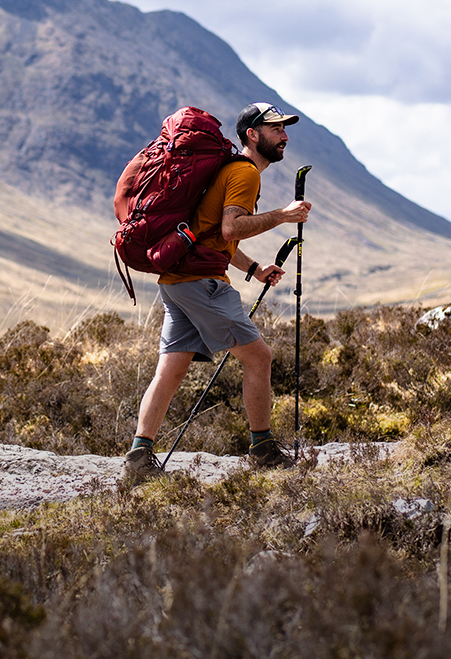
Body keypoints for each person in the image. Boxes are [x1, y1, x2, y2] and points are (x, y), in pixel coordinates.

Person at [122, 102, 311, 484]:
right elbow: (230, 228)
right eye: (276, 129)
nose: (285, 136)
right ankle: (262, 450)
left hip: (177, 281)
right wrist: (282, 215)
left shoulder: (228, 171)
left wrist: (254, 269)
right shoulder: (243, 173)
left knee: (171, 370)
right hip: (202, 284)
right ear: (252, 135)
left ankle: (138, 459)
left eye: (284, 129)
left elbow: (210, 233)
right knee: (259, 357)